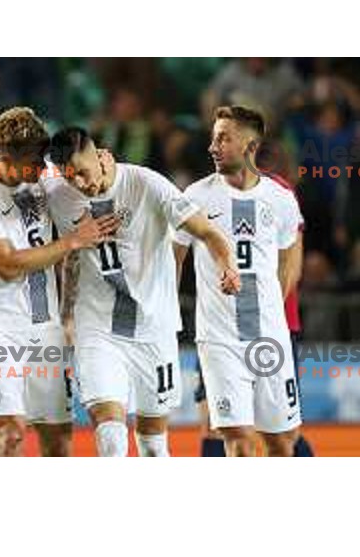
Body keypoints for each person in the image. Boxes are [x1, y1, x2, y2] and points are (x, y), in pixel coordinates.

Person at [45, 127, 240, 457]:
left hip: (154, 328)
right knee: (111, 435)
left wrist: (227, 266)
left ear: (102, 155)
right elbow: (15, 165)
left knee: (152, 444)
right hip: (98, 328)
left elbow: (207, 231)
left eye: (83, 172)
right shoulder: (56, 190)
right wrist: (65, 316)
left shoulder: (147, 184)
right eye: (69, 176)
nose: (78, 183)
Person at [0, 107, 118, 457]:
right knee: (10, 433)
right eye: (32, 162)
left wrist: (105, 167)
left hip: (46, 327)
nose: (42, 169)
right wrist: (73, 240)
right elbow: (7, 265)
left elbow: (92, 183)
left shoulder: (41, 176)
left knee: (58, 442)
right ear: (2, 156)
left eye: (43, 160)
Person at [174, 106, 303, 457]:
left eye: (223, 138)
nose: (212, 147)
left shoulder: (281, 200)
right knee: (238, 440)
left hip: (270, 337)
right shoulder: (195, 197)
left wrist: (273, 303)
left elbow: (289, 256)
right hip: (219, 339)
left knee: (281, 441)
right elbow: (175, 257)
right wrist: (167, 313)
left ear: (249, 146)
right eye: (213, 138)